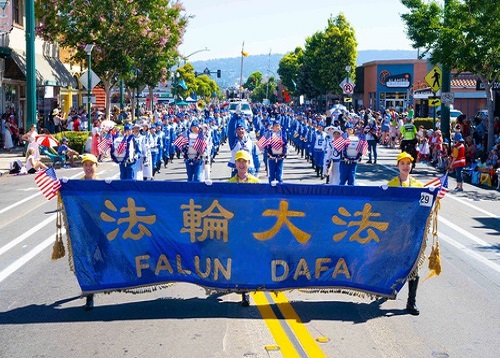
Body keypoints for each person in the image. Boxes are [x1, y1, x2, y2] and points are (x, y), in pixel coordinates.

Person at [387, 151, 423, 316]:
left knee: (413, 267)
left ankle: (411, 302)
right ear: (398, 166)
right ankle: (386, 289)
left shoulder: (418, 186)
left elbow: (424, 206)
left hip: (412, 233)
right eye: (403, 163)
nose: (406, 166)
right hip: (396, 233)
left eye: (408, 163)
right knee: (392, 263)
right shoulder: (392, 185)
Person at [227, 150, 260, 306]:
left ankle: (246, 289)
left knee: (248, 258)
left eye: (244, 161)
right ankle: (240, 287)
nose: (241, 164)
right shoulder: (229, 184)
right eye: (239, 161)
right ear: (235, 164)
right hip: (236, 229)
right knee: (236, 258)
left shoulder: (256, 182)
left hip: (251, 229)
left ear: (248, 164)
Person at [81, 154, 99, 310]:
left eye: (91, 164)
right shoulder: (76, 185)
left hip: (101, 230)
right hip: (83, 230)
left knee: (102, 260)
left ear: (96, 167)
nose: (88, 168)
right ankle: (89, 295)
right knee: (87, 260)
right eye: (85, 165)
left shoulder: (103, 184)